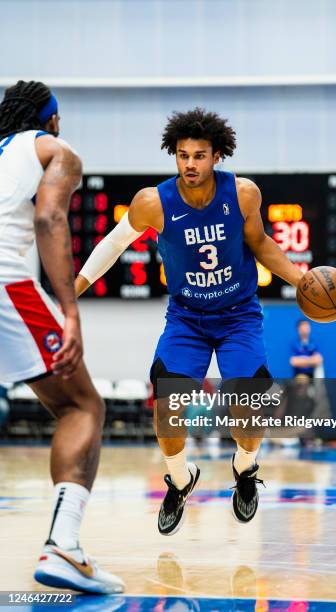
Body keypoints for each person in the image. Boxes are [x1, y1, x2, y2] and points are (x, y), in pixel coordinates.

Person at [75, 108, 303, 534]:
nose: (190, 164)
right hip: (187, 320)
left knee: (249, 422)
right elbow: (111, 244)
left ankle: (245, 469)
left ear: (217, 155)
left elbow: (261, 244)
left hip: (238, 317)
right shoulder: (152, 202)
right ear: (174, 156)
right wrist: (74, 290)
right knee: (167, 414)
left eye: (199, 155)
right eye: (183, 155)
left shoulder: (243, 194)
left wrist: (300, 277)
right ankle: (181, 481)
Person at [0, 81, 123, 593]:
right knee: (83, 407)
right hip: (6, 281)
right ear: (51, 119)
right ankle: (63, 548)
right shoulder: (56, 150)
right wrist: (69, 312)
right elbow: (50, 217)